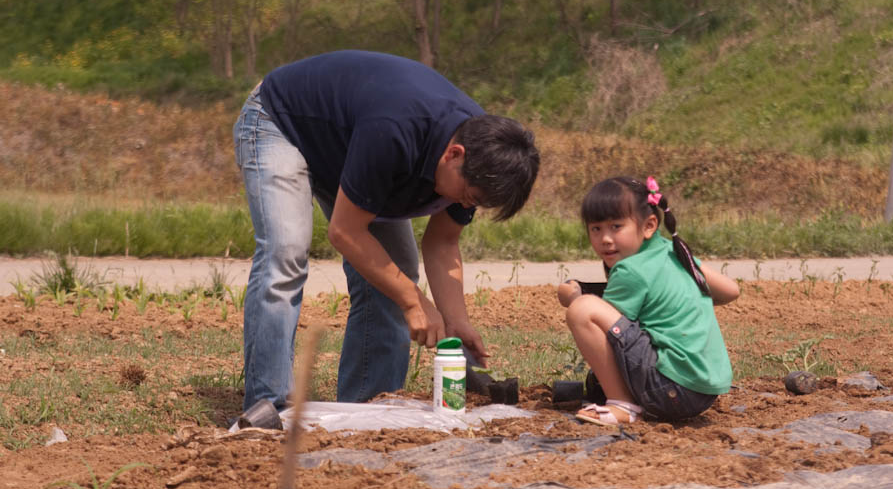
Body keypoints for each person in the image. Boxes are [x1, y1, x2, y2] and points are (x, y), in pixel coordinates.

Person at [233, 50, 539, 411]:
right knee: (285, 253)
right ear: (454, 155)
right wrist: (414, 300)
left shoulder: (482, 155)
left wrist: (457, 322)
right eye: (469, 197)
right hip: (281, 122)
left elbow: (442, 243)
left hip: (350, 148)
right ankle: (267, 407)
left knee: (396, 274)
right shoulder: (397, 129)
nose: (467, 206)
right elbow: (345, 232)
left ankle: (369, 405)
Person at [557, 176, 739, 425]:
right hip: (704, 390)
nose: (605, 239)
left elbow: (606, 329)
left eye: (616, 227)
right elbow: (731, 291)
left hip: (670, 390)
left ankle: (622, 405)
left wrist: (575, 296)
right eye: (596, 229)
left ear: (649, 225)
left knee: (581, 311)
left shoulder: (631, 270)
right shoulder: (674, 252)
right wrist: (681, 299)